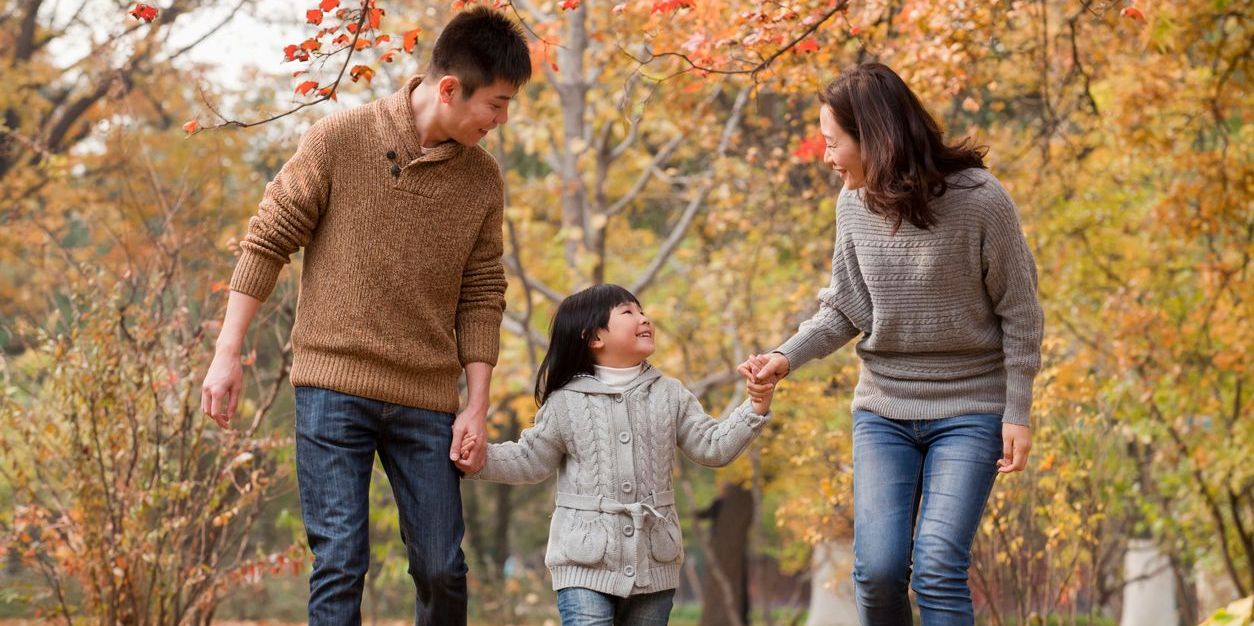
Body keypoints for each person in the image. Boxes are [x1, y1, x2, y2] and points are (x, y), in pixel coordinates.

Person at [199, 8, 532, 625]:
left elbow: (483, 292)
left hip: (427, 395)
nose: (502, 119)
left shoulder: (483, 180)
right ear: (450, 89)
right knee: (340, 563)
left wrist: (476, 405)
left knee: (441, 566)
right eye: (497, 103)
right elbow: (269, 238)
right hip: (332, 385)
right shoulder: (339, 139)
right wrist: (228, 352)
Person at [742, 62, 1044, 625]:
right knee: (878, 572)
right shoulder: (853, 206)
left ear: (875, 139)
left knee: (935, 565)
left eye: (834, 143)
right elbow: (846, 308)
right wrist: (786, 356)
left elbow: (1021, 312)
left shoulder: (982, 200)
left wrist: (1018, 411)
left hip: (971, 406)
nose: (827, 156)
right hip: (884, 410)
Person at [464, 284, 775, 625]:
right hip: (582, 564)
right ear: (594, 337)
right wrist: (477, 458)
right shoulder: (566, 402)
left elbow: (713, 447)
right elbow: (528, 459)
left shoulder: (669, 394)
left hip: (654, 565)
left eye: (642, 311)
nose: (644, 319)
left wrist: (755, 407)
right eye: (628, 312)